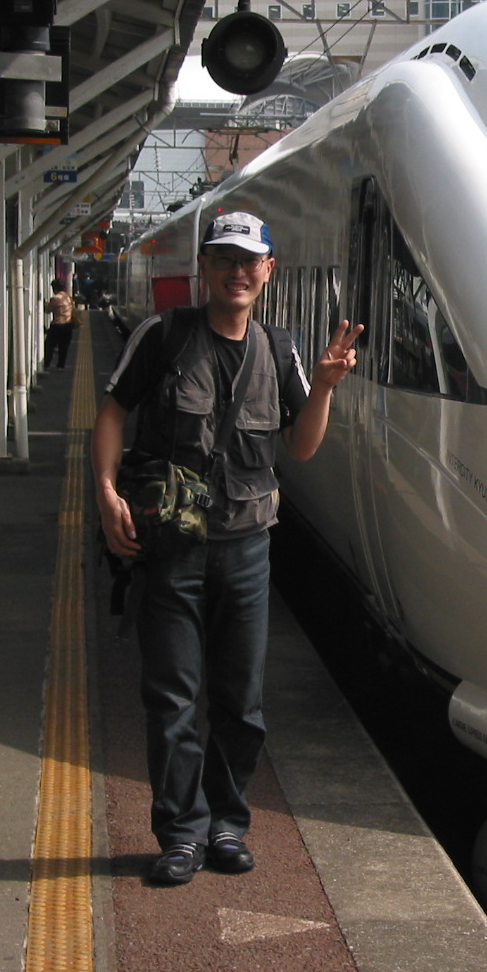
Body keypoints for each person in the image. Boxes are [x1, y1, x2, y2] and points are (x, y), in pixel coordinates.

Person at [91, 211, 362, 886]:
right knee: (172, 697)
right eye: (224, 260)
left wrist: (324, 388)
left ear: (268, 271)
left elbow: (300, 446)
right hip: (172, 548)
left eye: (248, 262)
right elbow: (113, 411)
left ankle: (227, 824)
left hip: (246, 550)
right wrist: (105, 491)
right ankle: (180, 833)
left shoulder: (279, 349)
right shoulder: (164, 335)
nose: (236, 273)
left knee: (241, 701)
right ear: (204, 268)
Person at [44, 278, 76, 370]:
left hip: (57, 325)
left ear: (55, 288)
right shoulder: (68, 297)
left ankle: (46, 364)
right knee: (64, 347)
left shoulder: (55, 298)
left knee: (49, 346)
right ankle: (61, 366)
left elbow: (48, 310)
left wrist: (45, 304)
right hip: (68, 325)